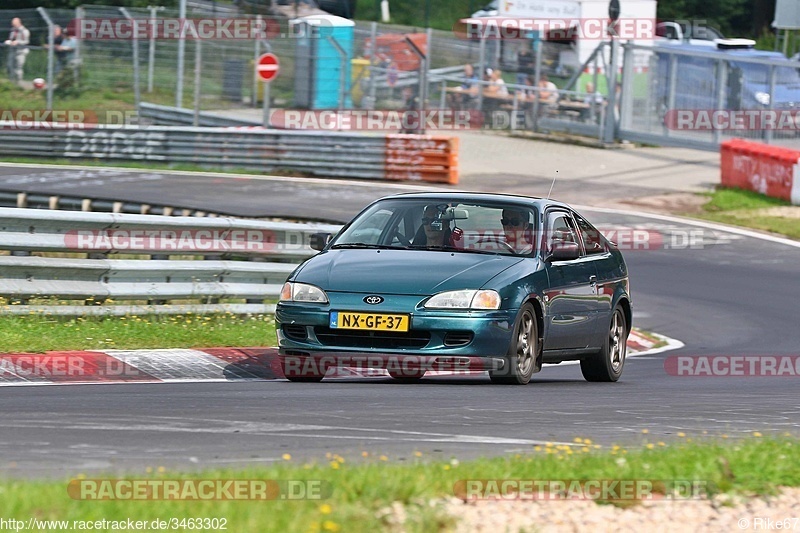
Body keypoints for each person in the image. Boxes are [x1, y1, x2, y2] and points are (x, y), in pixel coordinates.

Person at [4, 18, 30, 85]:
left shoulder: (24, 31)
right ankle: (11, 80)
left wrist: (18, 42)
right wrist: (9, 42)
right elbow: (11, 38)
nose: (13, 25)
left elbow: (26, 41)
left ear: (18, 23)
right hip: (12, 50)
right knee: (10, 65)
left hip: (21, 51)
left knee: (18, 67)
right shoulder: (13, 30)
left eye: (14, 23)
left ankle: (19, 81)